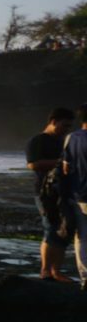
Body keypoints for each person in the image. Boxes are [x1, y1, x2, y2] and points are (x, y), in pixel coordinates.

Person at [26, 107, 75, 282]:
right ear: (53, 121)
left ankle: (57, 270)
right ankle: (46, 270)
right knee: (51, 228)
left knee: (64, 230)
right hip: (44, 192)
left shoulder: (65, 140)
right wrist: (60, 163)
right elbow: (33, 164)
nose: (67, 129)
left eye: (69, 126)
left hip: (64, 190)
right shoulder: (38, 141)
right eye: (64, 125)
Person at [63, 103, 87, 290]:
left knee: (82, 237)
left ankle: (85, 279)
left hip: (78, 194)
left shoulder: (71, 138)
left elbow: (66, 168)